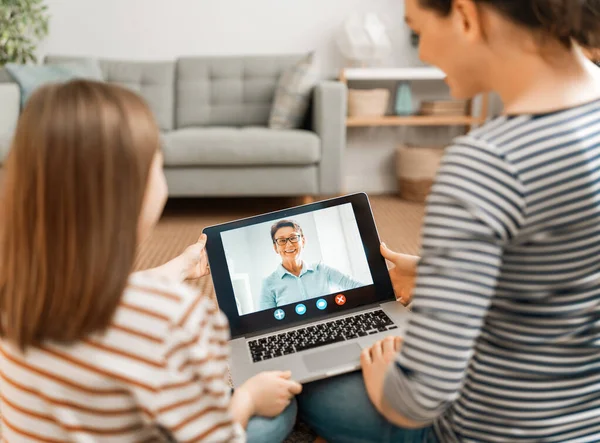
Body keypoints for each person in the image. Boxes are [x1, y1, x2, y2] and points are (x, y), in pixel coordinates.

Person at [298, 0, 600, 441]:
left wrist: (388, 383)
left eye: (417, 31)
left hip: (497, 431)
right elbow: (570, 263)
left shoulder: (487, 163)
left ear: (464, 15)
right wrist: (433, 272)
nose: (423, 54)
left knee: (314, 385)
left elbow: (419, 400)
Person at [0, 81, 301, 442]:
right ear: (132, 190)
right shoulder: (173, 317)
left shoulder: (14, 287)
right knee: (275, 411)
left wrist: (179, 268)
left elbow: (105, 303)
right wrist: (249, 399)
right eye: (159, 162)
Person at [259, 220, 363, 310]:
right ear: (275, 247)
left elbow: (358, 287)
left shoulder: (322, 270)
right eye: (282, 240)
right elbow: (265, 321)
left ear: (303, 241)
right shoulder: (268, 284)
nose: (289, 244)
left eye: (293, 237)